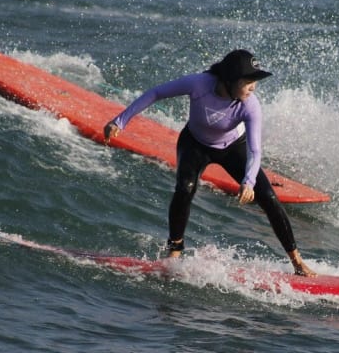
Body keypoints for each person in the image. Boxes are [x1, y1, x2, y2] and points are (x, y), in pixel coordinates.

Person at [104, 50, 316, 277]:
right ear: (229, 80)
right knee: (185, 188)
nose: (253, 87)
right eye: (247, 81)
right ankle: (175, 250)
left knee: (269, 197)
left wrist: (248, 181)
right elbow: (157, 93)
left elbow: (255, 149)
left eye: (255, 81)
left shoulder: (250, 105)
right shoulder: (199, 84)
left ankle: (296, 260)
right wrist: (120, 121)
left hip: (233, 148)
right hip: (195, 143)